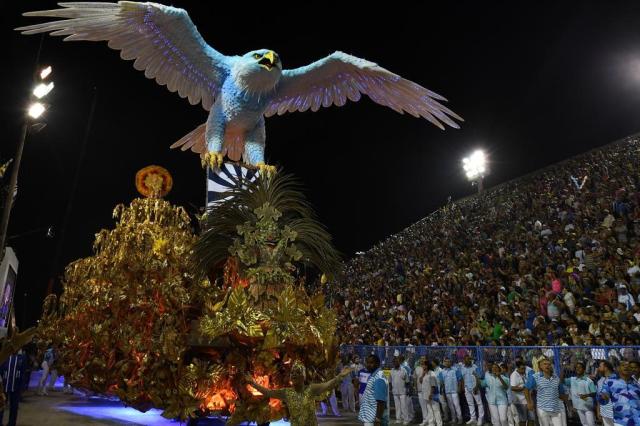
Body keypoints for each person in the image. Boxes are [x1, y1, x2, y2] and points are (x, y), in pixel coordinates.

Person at [246, 361, 352, 426]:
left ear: (303, 376)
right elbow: (268, 393)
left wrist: (340, 376)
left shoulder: (311, 389)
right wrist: (253, 384)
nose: (294, 375)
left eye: (298, 373)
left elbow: (328, 385)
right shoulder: (286, 392)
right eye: (292, 373)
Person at [598, 360, 640, 426]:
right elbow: (603, 397)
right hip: (621, 421)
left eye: (629, 366)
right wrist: (604, 397)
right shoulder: (610, 382)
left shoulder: (636, 383)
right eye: (623, 365)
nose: (626, 367)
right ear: (618, 368)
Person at [524, 358, 563, 426]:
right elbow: (526, 389)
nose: (547, 366)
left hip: (556, 409)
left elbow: (561, 392)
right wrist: (529, 402)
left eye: (549, 364)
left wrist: (568, 405)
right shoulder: (535, 377)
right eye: (545, 364)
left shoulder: (556, 377)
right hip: (542, 409)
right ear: (540, 366)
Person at [358, 354, 390, 426]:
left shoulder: (379, 377)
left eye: (371, 363)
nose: (368, 365)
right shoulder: (374, 375)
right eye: (367, 363)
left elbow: (381, 400)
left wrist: (378, 419)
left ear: (377, 364)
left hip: (373, 420)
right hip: (370, 418)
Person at [563, 362, 595, 426]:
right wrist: (562, 369)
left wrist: (586, 395)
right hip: (578, 406)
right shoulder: (572, 380)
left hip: (587, 406)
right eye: (576, 367)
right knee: (584, 424)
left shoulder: (589, 380)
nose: (578, 369)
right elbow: (561, 381)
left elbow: (594, 393)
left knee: (591, 424)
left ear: (583, 369)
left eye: (580, 367)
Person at [0, 349, 26, 426]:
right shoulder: (5, 355)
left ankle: (11, 423)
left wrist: (22, 386)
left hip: (16, 386)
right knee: (1, 405)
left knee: (14, 407)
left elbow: (23, 373)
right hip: (3, 385)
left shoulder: (22, 357)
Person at [459, 355, 484, 425]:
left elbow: (478, 378)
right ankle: (473, 418)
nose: (468, 361)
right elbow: (463, 378)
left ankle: (480, 419)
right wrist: (464, 388)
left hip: (475, 388)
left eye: (469, 359)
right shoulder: (462, 368)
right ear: (464, 360)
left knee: (479, 403)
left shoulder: (475, 367)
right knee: (470, 404)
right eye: (466, 359)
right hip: (467, 388)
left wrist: (476, 387)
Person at [438, 358, 463, 424]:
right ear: (444, 363)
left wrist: (459, 387)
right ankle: (454, 419)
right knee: (451, 406)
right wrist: (442, 391)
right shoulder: (442, 372)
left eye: (449, 362)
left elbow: (459, 379)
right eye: (446, 362)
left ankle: (460, 419)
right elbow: (442, 382)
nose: (447, 363)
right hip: (447, 391)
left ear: (451, 363)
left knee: (457, 405)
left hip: (455, 390)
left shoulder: (455, 370)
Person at [510, 361, 534, 426]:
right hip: (519, 401)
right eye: (522, 369)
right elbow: (512, 388)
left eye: (524, 369)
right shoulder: (514, 375)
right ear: (517, 368)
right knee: (523, 420)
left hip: (528, 399)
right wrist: (524, 388)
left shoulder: (525, 373)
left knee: (531, 418)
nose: (523, 370)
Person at [420, 359, 442, 426]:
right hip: (426, 395)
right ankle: (431, 423)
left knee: (436, 410)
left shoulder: (432, 374)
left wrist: (431, 394)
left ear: (427, 366)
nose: (422, 366)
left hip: (432, 395)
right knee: (429, 410)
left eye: (423, 365)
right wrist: (423, 374)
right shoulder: (425, 374)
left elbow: (433, 386)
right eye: (422, 365)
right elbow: (420, 381)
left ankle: (439, 424)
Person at [391, 357, 410, 424]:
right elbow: (391, 381)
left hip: (403, 391)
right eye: (395, 362)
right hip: (395, 391)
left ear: (399, 362)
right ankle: (398, 419)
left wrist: (408, 390)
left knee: (404, 406)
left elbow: (407, 381)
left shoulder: (404, 370)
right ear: (393, 363)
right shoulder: (392, 370)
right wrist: (391, 389)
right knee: (397, 407)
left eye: (397, 361)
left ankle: (406, 420)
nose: (396, 363)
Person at [595, 360, 615, 426]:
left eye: (600, 366)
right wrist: (598, 411)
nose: (598, 368)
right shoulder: (600, 381)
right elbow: (599, 398)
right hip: (604, 413)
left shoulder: (616, 379)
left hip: (615, 414)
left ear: (606, 368)